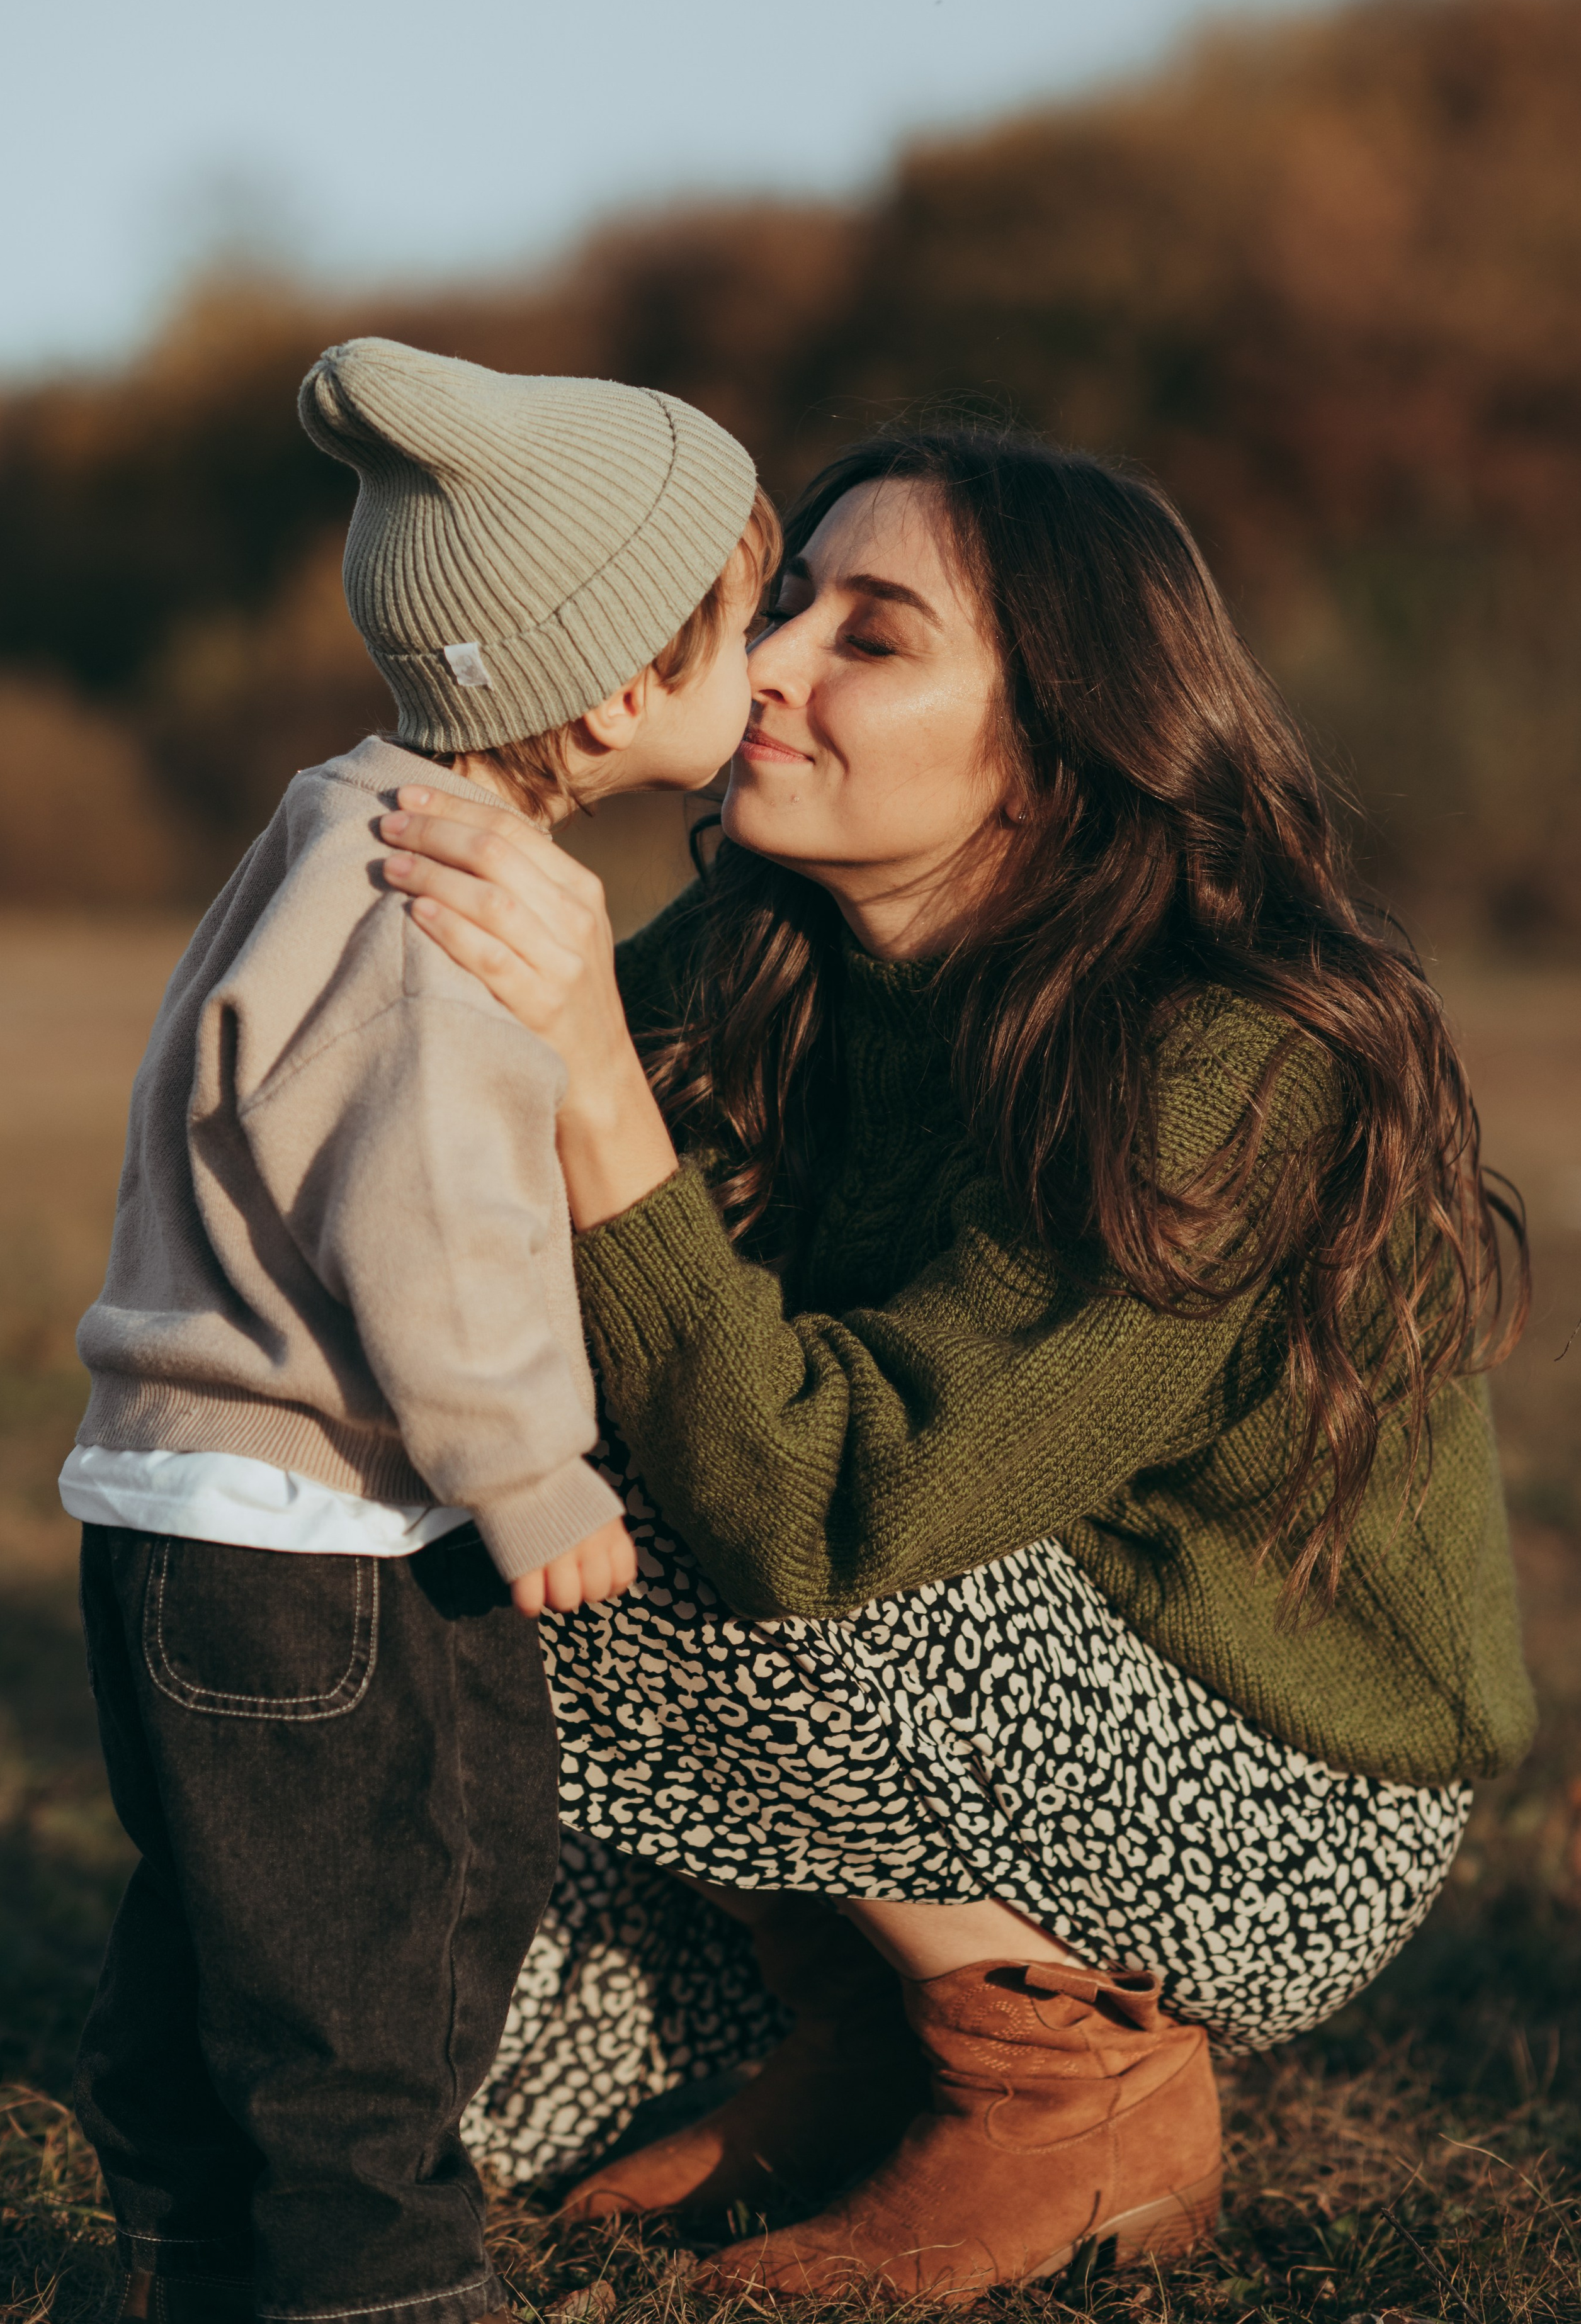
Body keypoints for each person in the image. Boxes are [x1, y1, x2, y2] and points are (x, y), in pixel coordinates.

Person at [377, 422, 1536, 2301]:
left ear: (1064, 744)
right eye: (785, 602)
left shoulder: (1229, 1058)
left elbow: (829, 1505)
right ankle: (864, 2020)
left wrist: (589, 1076)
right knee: (470, 2087)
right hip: (897, 1686)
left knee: (554, 1499)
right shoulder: (762, 952)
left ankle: (1073, 2093)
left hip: (1271, 1789)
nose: (763, 664)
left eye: (872, 636)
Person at [58, 336, 779, 2324]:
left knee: (244, 1916)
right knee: (383, 1955)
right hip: (318, 1540)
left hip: (195, 1508)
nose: (770, 668)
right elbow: (430, 1220)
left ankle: (184, 2255)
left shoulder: (335, 823)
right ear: (628, 684)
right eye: (748, 625)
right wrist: (529, 1469)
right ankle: (380, 2289)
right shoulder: (449, 912)